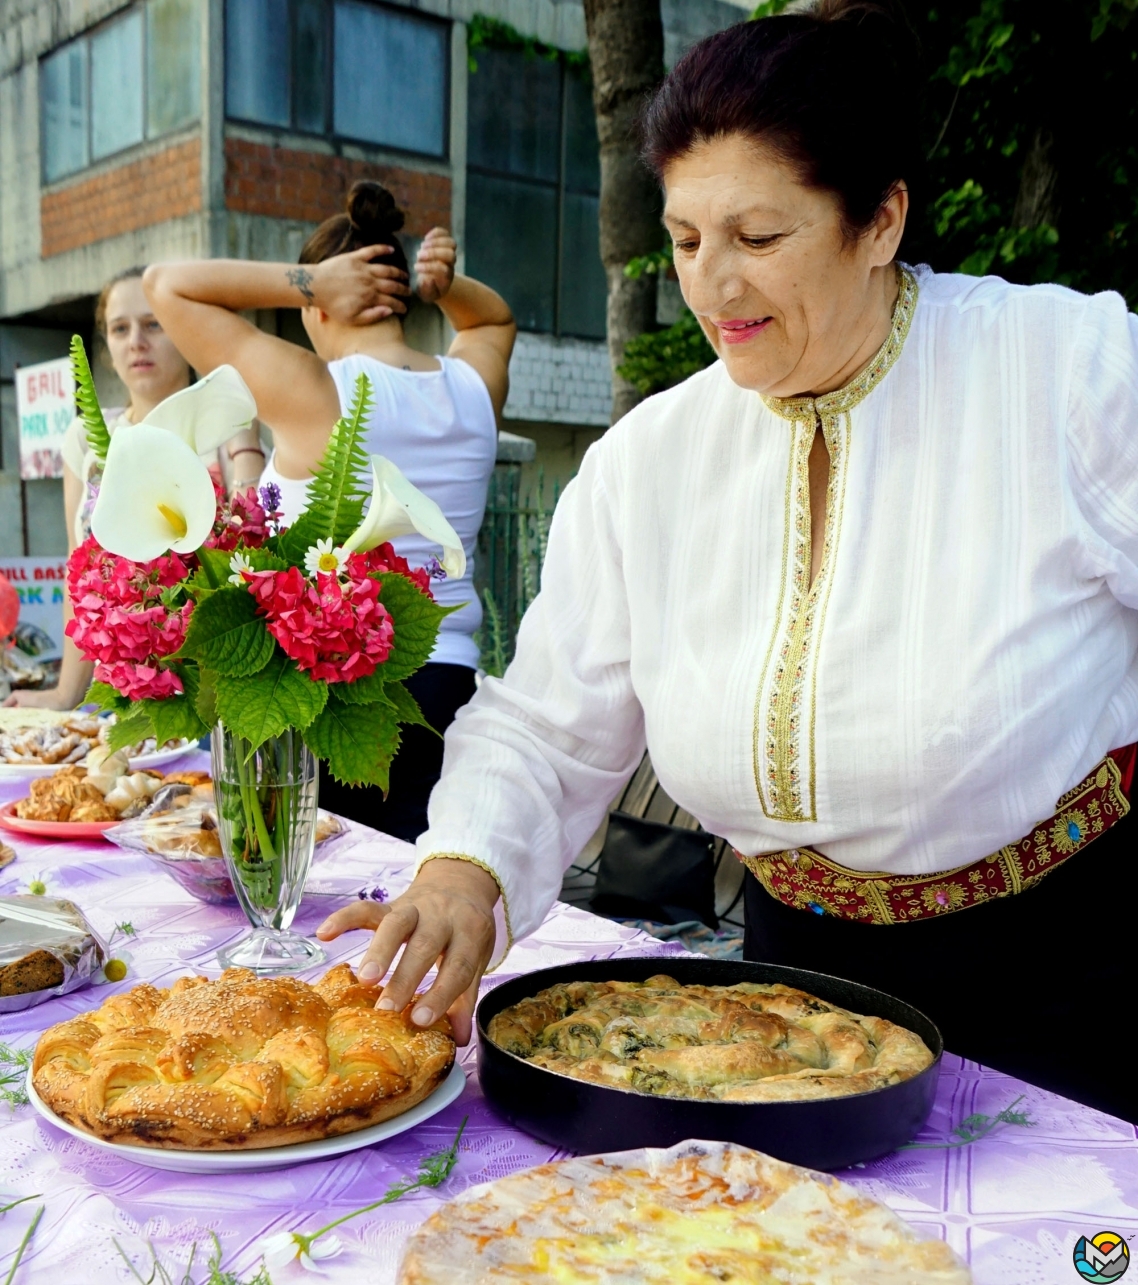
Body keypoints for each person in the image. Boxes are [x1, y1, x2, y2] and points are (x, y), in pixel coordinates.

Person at [310, 0, 1138, 1122]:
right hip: (777, 1000)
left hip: (1064, 979)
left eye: (757, 239)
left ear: (880, 220)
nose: (709, 287)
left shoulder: (1069, 374)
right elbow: (550, 725)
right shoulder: (651, 457)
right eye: (685, 240)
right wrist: (465, 870)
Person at [143, 182, 517, 841]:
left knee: (330, 902)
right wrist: (447, 286)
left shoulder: (317, 390)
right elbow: (492, 322)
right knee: (418, 885)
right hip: (452, 683)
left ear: (319, 310)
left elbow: (166, 284)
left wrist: (307, 282)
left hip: (342, 691)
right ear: (402, 297)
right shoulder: (470, 384)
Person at [4, 267, 264, 710]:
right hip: (126, 687)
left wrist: (245, 449)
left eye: (154, 324)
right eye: (119, 329)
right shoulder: (89, 436)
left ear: (184, 332)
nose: (136, 342)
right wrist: (67, 693)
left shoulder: (227, 430)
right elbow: (79, 573)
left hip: (214, 691)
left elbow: (257, 552)